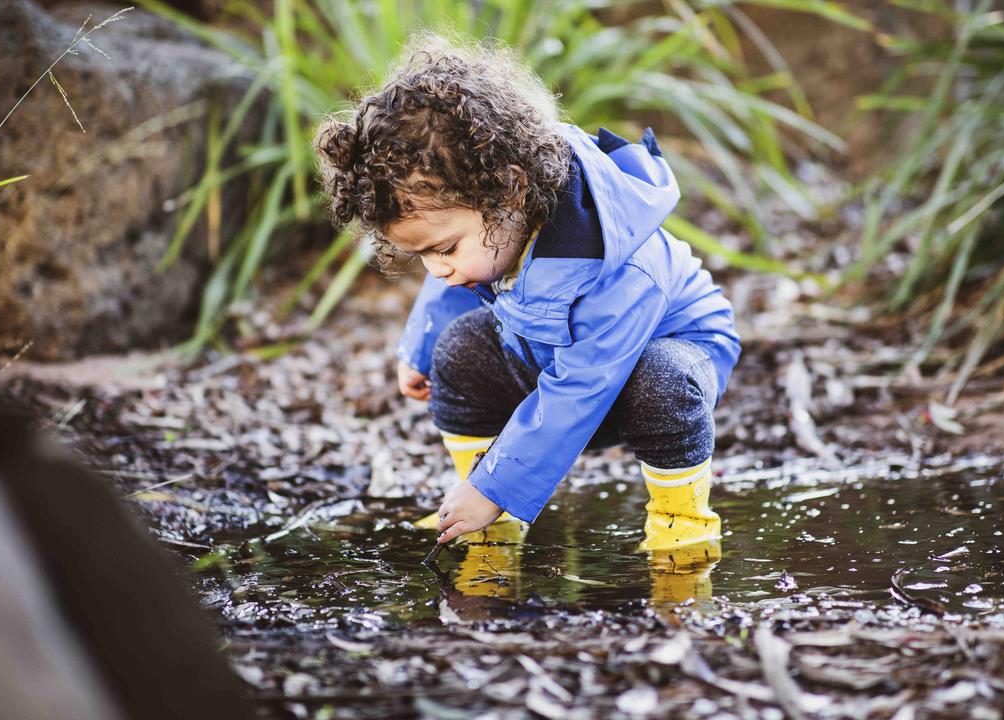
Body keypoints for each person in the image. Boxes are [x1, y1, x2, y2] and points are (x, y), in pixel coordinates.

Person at [312, 34, 740, 592]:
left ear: (510, 194)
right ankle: (488, 522)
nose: (437, 269)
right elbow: (454, 282)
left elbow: (584, 384)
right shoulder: (490, 228)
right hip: (552, 352)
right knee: (460, 352)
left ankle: (681, 533)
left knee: (662, 380)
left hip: (655, 360)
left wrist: (497, 484)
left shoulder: (613, 262)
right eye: (423, 255)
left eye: (442, 249)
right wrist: (418, 348)